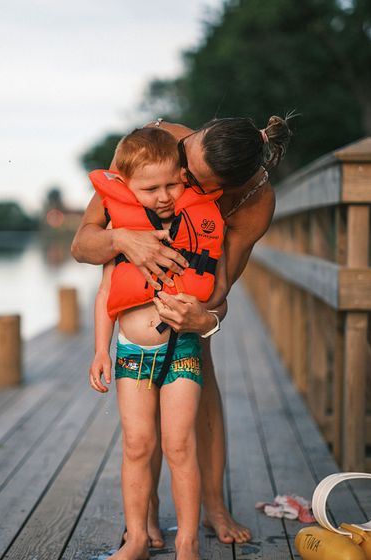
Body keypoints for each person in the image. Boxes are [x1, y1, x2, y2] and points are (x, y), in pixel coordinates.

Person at [73, 115, 292, 545]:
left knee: (197, 378)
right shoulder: (161, 144)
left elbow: (218, 291)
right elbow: (82, 245)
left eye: (191, 179)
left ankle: (212, 507)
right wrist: (122, 239)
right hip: (135, 317)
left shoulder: (253, 204)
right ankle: (146, 515)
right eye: (184, 159)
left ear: (223, 188)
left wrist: (203, 320)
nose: (181, 179)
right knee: (140, 430)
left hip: (188, 305)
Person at [87, 127, 225, 560]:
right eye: (150, 188)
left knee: (179, 444)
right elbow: (107, 293)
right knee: (136, 444)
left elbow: (218, 288)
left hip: (180, 350)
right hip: (131, 353)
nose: (164, 196)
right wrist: (99, 351)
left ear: (183, 176)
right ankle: (138, 540)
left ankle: (187, 542)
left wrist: (206, 318)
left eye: (172, 184)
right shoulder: (122, 227)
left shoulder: (195, 224)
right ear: (127, 187)